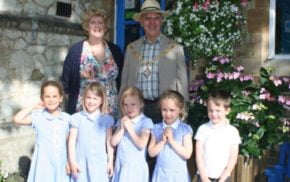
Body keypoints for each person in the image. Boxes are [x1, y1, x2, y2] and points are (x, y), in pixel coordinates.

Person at [120, 0, 188, 123]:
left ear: (161, 21)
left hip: (165, 110)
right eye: (147, 18)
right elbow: (124, 82)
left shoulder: (175, 48)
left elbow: (182, 86)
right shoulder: (131, 48)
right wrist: (122, 112)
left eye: (156, 18)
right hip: (136, 110)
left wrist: (182, 116)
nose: (152, 22)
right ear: (141, 22)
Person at [62, 8, 124, 118]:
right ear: (87, 26)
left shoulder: (115, 50)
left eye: (100, 23)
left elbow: (122, 80)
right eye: (93, 22)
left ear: (105, 28)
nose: (97, 26)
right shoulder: (76, 50)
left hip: (110, 110)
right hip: (84, 110)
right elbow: (65, 82)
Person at [13, 81, 70, 182]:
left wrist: (70, 161)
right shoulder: (38, 116)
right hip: (43, 164)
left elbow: (70, 142)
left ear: (61, 98)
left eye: (54, 96)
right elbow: (17, 119)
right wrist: (32, 107)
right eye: (47, 96)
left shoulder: (67, 119)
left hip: (61, 163)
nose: (51, 99)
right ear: (42, 99)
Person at [68, 82, 114, 182]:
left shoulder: (106, 119)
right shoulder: (77, 118)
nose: (91, 101)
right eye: (88, 97)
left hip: (100, 163)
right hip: (81, 163)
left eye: (95, 98)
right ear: (84, 98)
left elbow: (109, 143)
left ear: (101, 100)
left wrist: (110, 161)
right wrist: (72, 162)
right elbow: (71, 142)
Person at [195, 91, 241, 182]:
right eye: (210, 110)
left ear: (227, 111)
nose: (214, 114)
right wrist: (204, 177)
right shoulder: (203, 129)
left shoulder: (232, 131)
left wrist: (224, 176)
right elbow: (198, 155)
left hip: (223, 178)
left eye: (218, 111)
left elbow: (233, 157)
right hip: (204, 177)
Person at [148, 90, 193, 182]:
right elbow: (151, 153)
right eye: (164, 110)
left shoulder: (185, 129)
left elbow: (187, 154)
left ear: (180, 109)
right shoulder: (156, 128)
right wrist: (162, 142)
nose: (168, 114)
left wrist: (172, 141)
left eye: (172, 110)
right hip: (160, 175)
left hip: (179, 176)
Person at [111, 87, 153, 182]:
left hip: (135, 169)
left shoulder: (145, 121)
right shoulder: (122, 121)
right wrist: (122, 128)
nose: (129, 108)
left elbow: (141, 144)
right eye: (125, 105)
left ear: (141, 104)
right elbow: (113, 142)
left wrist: (130, 128)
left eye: (133, 104)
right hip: (121, 165)